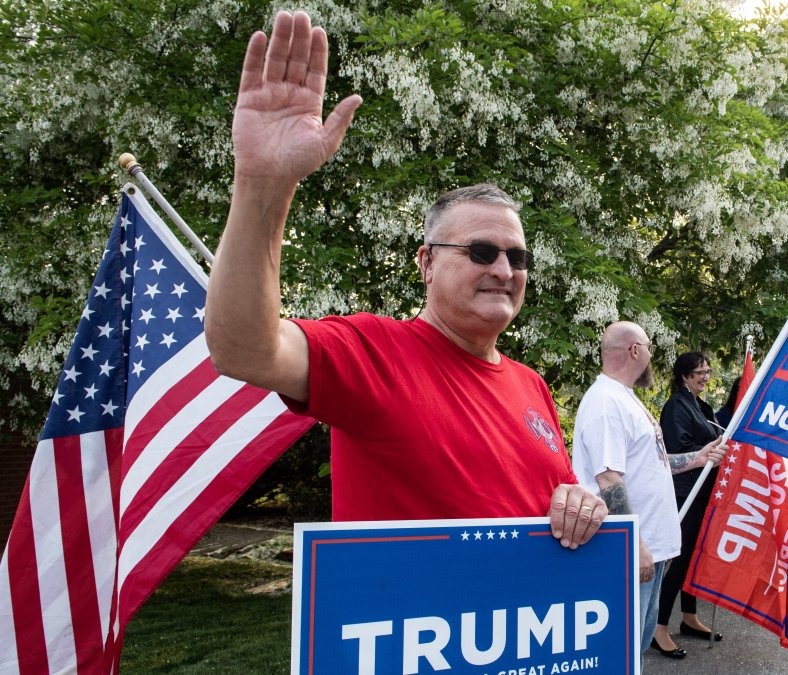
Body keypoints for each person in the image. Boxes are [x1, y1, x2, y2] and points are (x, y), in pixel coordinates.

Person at [205, 11, 606, 547]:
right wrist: (262, 184)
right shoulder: (373, 353)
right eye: (481, 251)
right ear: (426, 264)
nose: (504, 270)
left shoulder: (530, 385)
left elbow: (557, 496)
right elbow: (244, 351)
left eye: (518, 257)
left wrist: (578, 501)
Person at [571, 322, 725, 662]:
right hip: (634, 553)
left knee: (636, 648)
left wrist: (695, 459)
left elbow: (651, 462)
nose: (652, 357)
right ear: (634, 350)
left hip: (651, 550)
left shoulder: (624, 398)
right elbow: (608, 479)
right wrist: (634, 545)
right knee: (620, 653)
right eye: (650, 349)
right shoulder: (606, 401)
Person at [655, 351, 724, 653]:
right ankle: (658, 627)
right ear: (684, 375)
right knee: (681, 559)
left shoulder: (700, 405)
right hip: (685, 492)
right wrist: (709, 450)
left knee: (695, 556)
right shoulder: (676, 406)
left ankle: (689, 617)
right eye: (699, 372)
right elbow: (678, 450)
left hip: (703, 490)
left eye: (708, 372)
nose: (705, 378)